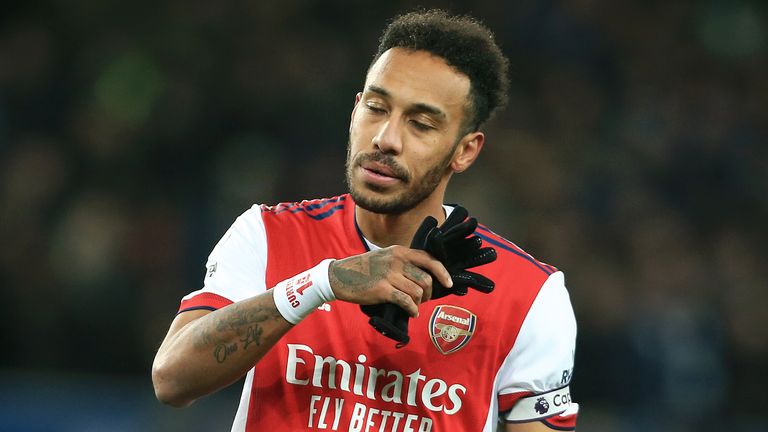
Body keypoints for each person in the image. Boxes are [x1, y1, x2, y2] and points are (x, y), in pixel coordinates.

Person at [152, 9, 578, 431]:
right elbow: (172, 379)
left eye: (421, 124)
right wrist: (323, 283)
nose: (385, 139)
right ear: (355, 109)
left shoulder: (531, 296)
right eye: (376, 108)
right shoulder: (266, 234)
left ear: (465, 150)